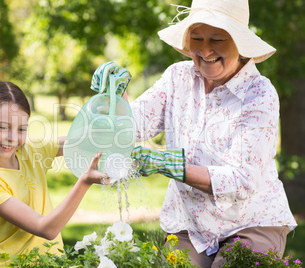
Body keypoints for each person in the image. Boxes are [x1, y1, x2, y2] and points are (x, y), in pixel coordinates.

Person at [91, 0, 297, 267]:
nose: (205, 49)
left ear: (239, 43)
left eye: (218, 39)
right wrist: (115, 95)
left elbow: (243, 179)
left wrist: (171, 164)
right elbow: (131, 128)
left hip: (252, 221)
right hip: (190, 224)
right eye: (197, 38)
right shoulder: (178, 77)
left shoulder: (259, 94)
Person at [0, 81, 110, 267]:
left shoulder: (30, 151)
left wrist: (109, 111)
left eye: (21, 129)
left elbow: (84, 141)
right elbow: (46, 228)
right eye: (2, 127)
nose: (12, 138)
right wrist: (85, 181)